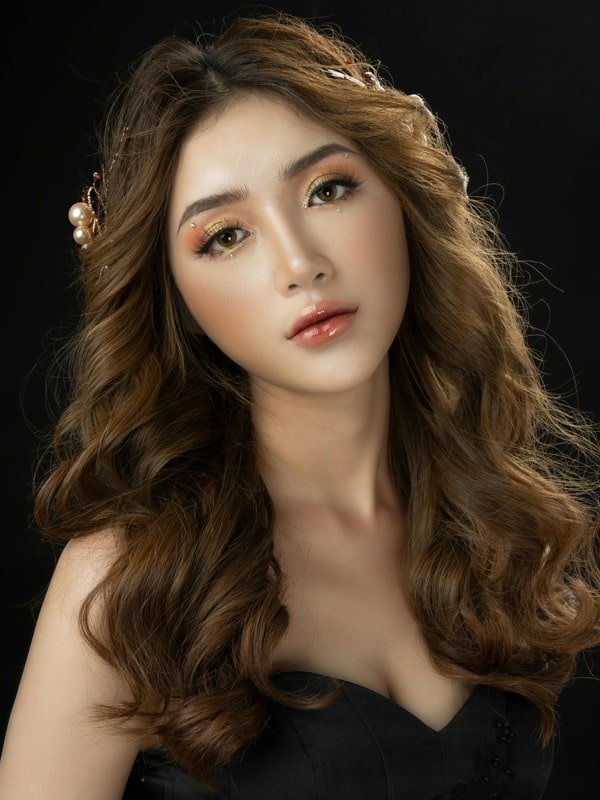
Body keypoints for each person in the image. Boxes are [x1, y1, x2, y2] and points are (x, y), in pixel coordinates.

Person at [1, 10, 599, 799]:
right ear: (177, 301)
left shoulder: (495, 529)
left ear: (403, 203)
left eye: (328, 189)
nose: (298, 263)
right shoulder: (132, 579)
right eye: (224, 236)